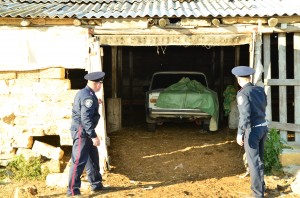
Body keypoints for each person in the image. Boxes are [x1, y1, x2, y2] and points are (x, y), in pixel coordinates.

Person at [231, 66, 268, 198]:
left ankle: (257, 194)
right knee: (260, 160)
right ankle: (262, 187)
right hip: (263, 127)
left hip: (252, 131)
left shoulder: (243, 93)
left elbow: (245, 115)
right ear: (250, 78)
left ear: (238, 80)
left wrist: (240, 133)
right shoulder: (260, 90)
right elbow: (264, 106)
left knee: (253, 162)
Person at [67, 71, 105, 197]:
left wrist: (95, 102)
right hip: (82, 131)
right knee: (78, 161)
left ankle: (96, 184)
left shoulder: (88, 94)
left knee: (92, 158)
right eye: (100, 83)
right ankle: (72, 191)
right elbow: (85, 118)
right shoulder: (88, 96)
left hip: (85, 130)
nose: (100, 86)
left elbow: (86, 108)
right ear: (97, 84)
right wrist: (93, 136)